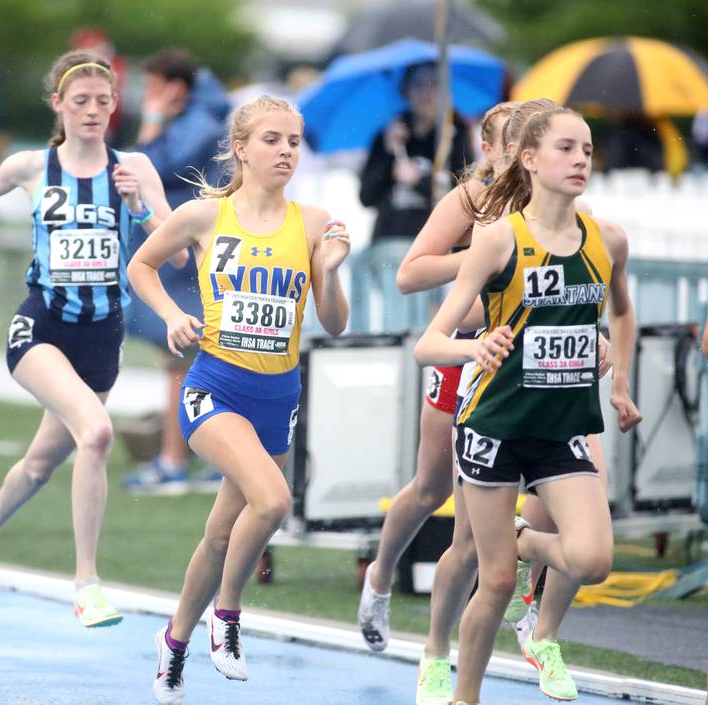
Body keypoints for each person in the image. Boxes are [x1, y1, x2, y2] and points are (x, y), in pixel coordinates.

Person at [414, 106, 643, 705]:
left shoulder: (607, 240)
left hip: (563, 429)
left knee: (592, 561)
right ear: (530, 159)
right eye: (567, 149)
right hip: (496, 424)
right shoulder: (498, 239)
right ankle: (463, 694)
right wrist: (475, 348)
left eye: (588, 151)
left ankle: (521, 540)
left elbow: (621, 309)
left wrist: (618, 379)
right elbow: (427, 342)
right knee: (491, 582)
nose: (580, 161)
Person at [127, 95, 350, 705]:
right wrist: (174, 315)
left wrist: (328, 271)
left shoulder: (312, 222)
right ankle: (227, 619)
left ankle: (173, 644)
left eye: (295, 141)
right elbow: (140, 267)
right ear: (241, 148)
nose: (286, 152)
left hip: (277, 396)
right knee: (274, 500)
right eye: (273, 140)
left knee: (222, 536)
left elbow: (332, 323)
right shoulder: (204, 215)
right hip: (214, 386)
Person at [0, 50, 175, 627]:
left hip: (102, 336)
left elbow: (172, 246)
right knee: (97, 433)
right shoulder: (32, 166)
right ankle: (88, 584)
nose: (93, 111)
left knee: (37, 466)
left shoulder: (135, 168)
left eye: (104, 101)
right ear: (58, 104)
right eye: (80, 101)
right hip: (41, 326)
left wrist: (136, 206)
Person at [357, 100, 516, 650]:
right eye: (512, 142)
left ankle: (517, 614)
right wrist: (484, 259)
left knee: (526, 488)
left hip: (524, 360)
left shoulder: (555, 202)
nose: (526, 152)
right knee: (431, 486)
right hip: (463, 349)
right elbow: (409, 274)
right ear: (489, 151)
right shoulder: (474, 198)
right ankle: (380, 577)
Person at [122, 48, 227, 494]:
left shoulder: (196, 125)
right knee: (191, 358)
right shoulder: (200, 121)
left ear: (177, 88)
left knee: (181, 357)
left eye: (154, 87)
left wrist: (150, 122)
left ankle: (175, 462)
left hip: (190, 255)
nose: (148, 96)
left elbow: (146, 169)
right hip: (188, 251)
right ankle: (207, 460)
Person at [359, 62, 473, 243]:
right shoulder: (389, 133)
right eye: (419, 85)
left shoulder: (455, 134)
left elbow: (464, 197)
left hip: (434, 241)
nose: (426, 93)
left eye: (433, 84)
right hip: (389, 239)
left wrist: (418, 181)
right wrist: (388, 155)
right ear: (405, 90)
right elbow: (366, 197)